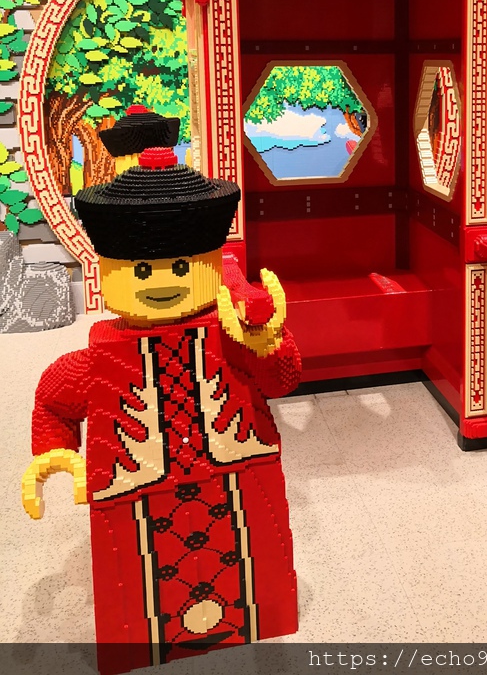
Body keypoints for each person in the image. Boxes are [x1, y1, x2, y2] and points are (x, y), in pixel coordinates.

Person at [22, 147, 300, 673]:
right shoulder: (97, 361)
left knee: (247, 576)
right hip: (133, 503)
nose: (161, 282)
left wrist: (269, 342)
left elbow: (282, 382)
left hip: (238, 482)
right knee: (141, 598)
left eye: (179, 267)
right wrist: (55, 450)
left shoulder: (233, 337)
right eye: (143, 269)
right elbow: (53, 399)